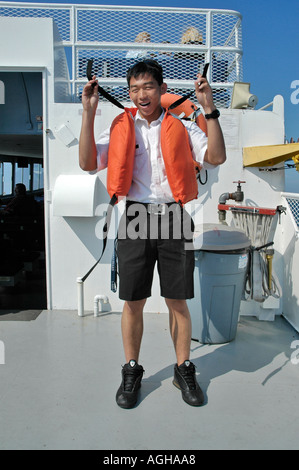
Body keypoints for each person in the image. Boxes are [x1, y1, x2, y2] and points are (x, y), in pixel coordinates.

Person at [79, 59, 226, 408]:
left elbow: (216, 157)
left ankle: (183, 368)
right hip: (134, 216)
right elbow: (87, 163)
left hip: (174, 215)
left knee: (178, 300)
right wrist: (88, 113)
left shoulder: (182, 126)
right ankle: (131, 370)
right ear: (129, 93)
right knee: (133, 301)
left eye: (147, 87)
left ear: (161, 90)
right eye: (134, 88)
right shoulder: (118, 127)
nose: (141, 94)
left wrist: (209, 108)